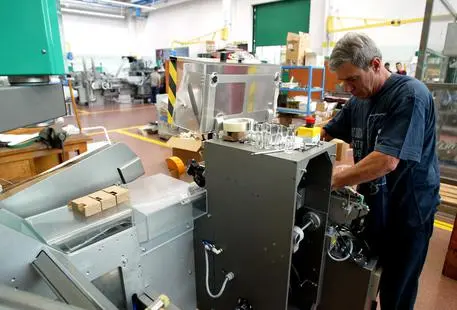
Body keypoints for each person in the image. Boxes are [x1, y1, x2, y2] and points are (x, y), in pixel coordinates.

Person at [322, 32, 440, 310]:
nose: (348, 87)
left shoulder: (409, 95)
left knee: (397, 288)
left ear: (375, 64)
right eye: (342, 81)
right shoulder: (358, 100)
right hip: (376, 205)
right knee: (368, 276)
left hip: (409, 209)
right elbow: (326, 133)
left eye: (352, 79)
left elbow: (386, 161)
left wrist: (331, 181)